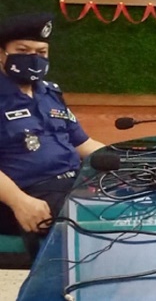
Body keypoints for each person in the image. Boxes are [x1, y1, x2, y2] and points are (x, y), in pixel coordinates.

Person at [0, 13, 105, 259]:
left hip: (73, 184)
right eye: (22, 50)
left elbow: (84, 144)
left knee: (131, 200)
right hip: (27, 193)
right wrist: (19, 201)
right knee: (98, 220)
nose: (33, 58)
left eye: (41, 52)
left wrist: (127, 161)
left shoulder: (50, 93)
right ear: (2, 54)